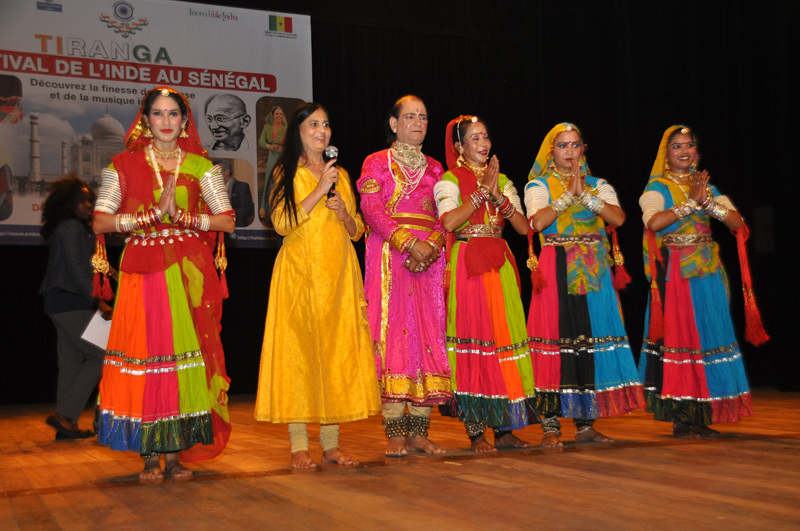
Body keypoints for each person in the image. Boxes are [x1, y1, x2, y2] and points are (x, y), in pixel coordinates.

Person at [92, 86, 235, 479]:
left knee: (181, 363)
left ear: (185, 121)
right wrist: (151, 216)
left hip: (186, 275)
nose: (166, 121)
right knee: (145, 360)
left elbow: (226, 221)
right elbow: (100, 220)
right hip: (143, 274)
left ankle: (174, 452)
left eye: (174, 114)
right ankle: (149, 454)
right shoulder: (123, 164)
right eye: (158, 113)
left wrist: (184, 218)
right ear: (145, 120)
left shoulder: (202, 167)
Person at [254, 103, 380, 469]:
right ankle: (299, 446)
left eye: (325, 124)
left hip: (338, 276)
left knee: (334, 356)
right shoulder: (285, 172)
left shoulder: (340, 174)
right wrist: (318, 190)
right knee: (299, 358)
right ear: (298, 131)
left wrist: (345, 215)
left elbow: (358, 231)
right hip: (300, 276)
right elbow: (281, 223)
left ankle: (331, 446)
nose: (321, 130)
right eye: (313, 124)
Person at [524, 123, 644, 447]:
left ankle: (585, 424)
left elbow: (618, 218)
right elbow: (537, 222)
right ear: (551, 152)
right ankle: (550, 425)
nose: (570, 152)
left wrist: (585, 195)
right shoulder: (538, 185)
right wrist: (567, 197)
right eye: (562, 146)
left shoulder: (597, 184)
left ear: (583, 149)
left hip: (593, 269)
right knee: (555, 339)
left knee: (588, 342)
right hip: (556, 267)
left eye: (575, 145)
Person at [638, 125, 753, 437]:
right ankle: (681, 416)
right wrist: (690, 203)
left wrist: (708, 203)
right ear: (666, 155)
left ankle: (701, 414)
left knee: (706, 338)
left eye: (688, 145)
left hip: (706, 271)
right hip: (675, 274)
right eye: (676, 146)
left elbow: (737, 222)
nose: (684, 151)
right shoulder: (656, 188)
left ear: (696, 152)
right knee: (681, 339)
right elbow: (654, 222)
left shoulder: (708, 188)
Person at [434, 115, 537, 452]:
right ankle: (476, 433)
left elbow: (522, 227)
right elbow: (450, 222)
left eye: (486, 137)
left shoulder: (503, 180)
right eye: (475, 138)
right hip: (469, 266)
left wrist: (498, 196)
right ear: (459, 147)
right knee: (475, 342)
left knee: (504, 341)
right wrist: (480, 195)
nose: (483, 143)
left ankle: (504, 430)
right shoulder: (449, 180)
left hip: (499, 265)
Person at [358, 95, 451, 457]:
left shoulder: (437, 169)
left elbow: (445, 217)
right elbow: (371, 209)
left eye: (423, 117)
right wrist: (409, 244)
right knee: (393, 336)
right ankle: (395, 431)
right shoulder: (376, 162)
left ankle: (420, 432)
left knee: (428, 337)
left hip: (429, 262)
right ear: (394, 124)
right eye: (410, 117)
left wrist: (430, 248)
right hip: (389, 257)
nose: (417, 123)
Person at [40, 176, 112, 440]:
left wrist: (112, 275)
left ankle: (66, 422)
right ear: (68, 203)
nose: (88, 205)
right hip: (69, 301)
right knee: (101, 354)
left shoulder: (74, 228)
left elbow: (87, 264)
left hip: (62, 301)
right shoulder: (70, 226)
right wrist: (98, 300)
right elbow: (75, 268)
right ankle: (65, 415)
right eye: (82, 201)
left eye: (90, 200)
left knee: (71, 362)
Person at [258, 105, 287, 221]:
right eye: (277, 114)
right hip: (272, 156)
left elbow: (290, 144)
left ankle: (281, 209)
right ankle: (265, 209)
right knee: (269, 181)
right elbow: (261, 141)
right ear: (273, 116)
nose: (279, 116)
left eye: (281, 114)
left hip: (282, 157)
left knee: (282, 182)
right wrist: (269, 146)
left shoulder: (286, 129)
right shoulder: (267, 128)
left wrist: (282, 149)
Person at [215, 159, 255, 227]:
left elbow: (247, 210)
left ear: (227, 172)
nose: (214, 175)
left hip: (238, 228)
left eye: (217, 172)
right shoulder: (213, 188)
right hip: (218, 226)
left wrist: (228, 214)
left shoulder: (241, 186)